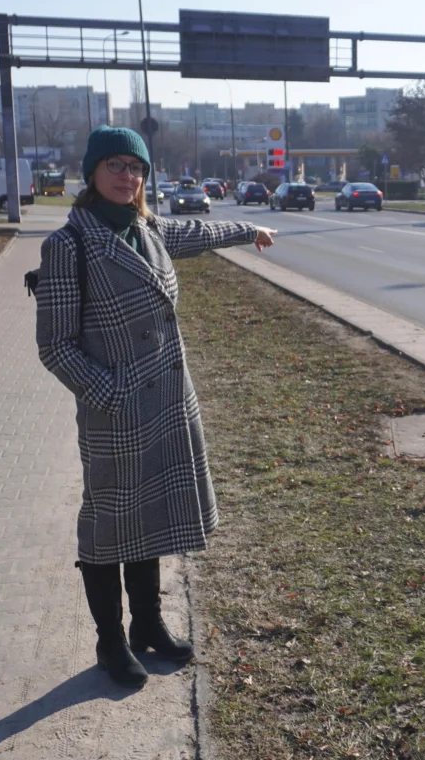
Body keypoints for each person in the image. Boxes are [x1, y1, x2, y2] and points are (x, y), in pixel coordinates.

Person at [36, 126, 277, 689]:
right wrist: (111, 394)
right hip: (116, 413)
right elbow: (55, 347)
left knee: (149, 517)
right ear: (92, 173)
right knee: (108, 526)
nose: (128, 176)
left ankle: (146, 624)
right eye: (116, 165)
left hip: (167, 404)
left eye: (137, 167)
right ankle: (110, 641)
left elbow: (199, 231)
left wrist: (250, 230)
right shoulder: (69, 245)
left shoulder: (148, 228)